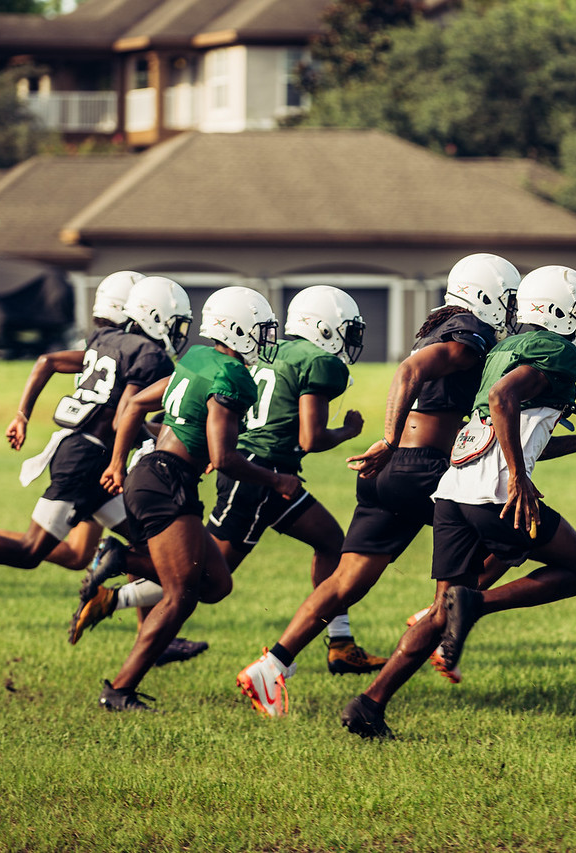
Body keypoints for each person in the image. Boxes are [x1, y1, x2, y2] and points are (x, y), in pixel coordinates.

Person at [340, 264, 576, 739]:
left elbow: (508, 428)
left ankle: (369, 704)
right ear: (557, 311)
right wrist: (517, 478)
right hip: (494, 493)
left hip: (453, 491)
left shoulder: (504, 349)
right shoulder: (558, 351)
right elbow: (501, 399)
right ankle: (477, 603)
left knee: (439, 612)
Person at [236, 253, 521, 717]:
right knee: (514, 535)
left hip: (391, 474)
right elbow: (409, 374)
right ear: (485, 296)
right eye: (506, 300)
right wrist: (391, 440)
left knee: (346, 581)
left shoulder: (439, 327)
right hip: (422, 468)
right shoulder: (469, 333)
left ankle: (272, 664)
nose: (509, 311)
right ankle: (443, 615)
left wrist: (392, 445)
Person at [80, 285, 382, 674]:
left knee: (326, 543)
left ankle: (340, 642)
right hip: (259, 474)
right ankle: (118, 586)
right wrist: (348, 431)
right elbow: (309, 438)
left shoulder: (237, 356)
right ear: (326, 328)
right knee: (204, 579)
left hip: (246, 467)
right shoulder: (317, 363)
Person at [0, 277, 192, 626]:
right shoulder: (152, 357)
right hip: (88, 461)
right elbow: (125, 417)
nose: (180, 333)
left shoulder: (106, 339)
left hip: (82, 453)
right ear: (156, 318)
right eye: (177, 324)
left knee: (147, 546)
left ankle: (145, 629)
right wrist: (152, 446)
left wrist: (23, 415)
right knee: (29, 551)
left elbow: (94, 393)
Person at [92, 285, 299, 711]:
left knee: (217, 582)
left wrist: (117, 463)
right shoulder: (233, 374)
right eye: (259, 329)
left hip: (154, 474)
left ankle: (121, 559)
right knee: (181, 594)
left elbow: (132, 406)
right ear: (237, 329)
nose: (265, 338)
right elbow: (224, 458)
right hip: (167, 479)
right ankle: (119, 690)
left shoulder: (198, 358)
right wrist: (275, 480)